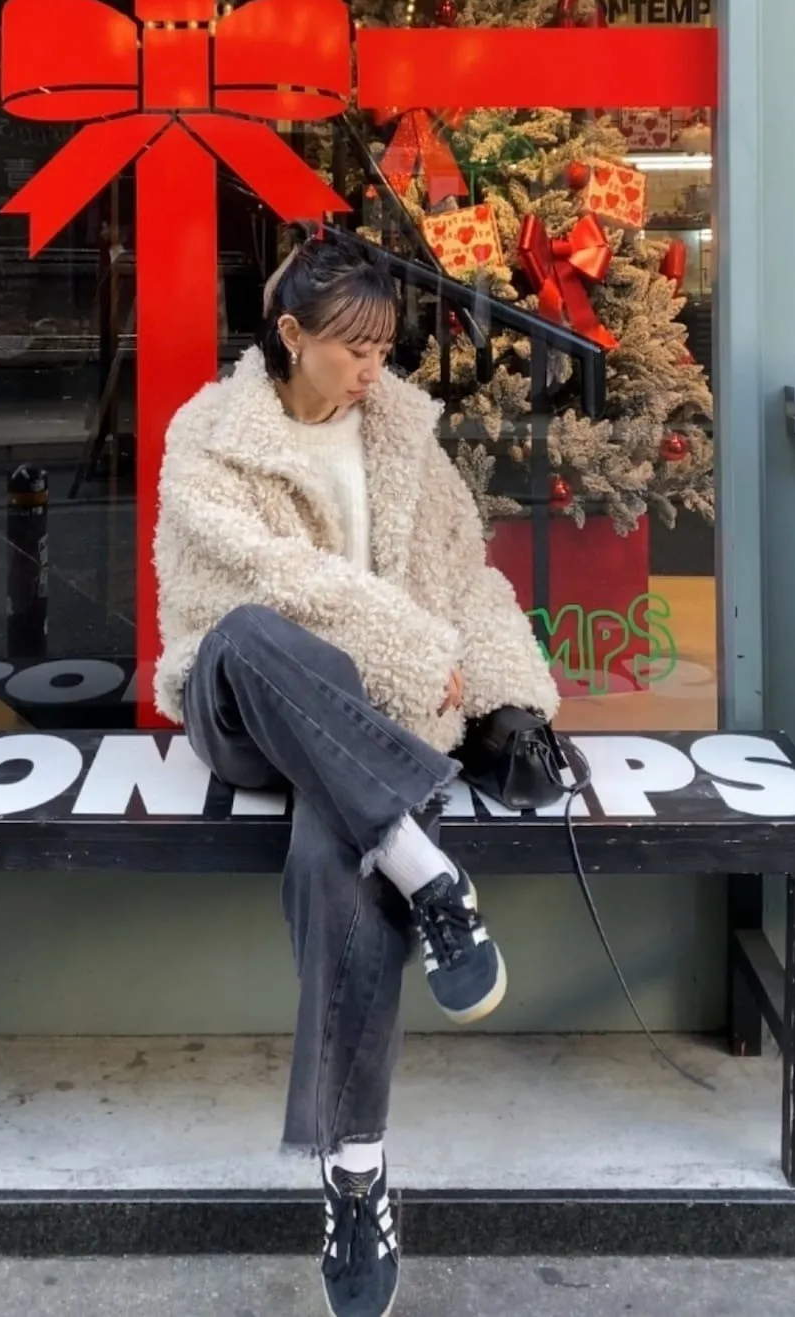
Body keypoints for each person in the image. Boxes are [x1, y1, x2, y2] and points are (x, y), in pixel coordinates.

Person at [154, 232, 559, 1317]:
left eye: (385, 346)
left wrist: (510, 695)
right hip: (240, 700)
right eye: (354, 347)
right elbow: (270, 585)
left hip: (362, 738)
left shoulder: (402, 435)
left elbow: (464, 578)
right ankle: (426, 863)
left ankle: (356, 1172)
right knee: (255, 630)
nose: (376, 367)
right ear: (291, 334)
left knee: (344, 846)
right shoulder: (212, 436)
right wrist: (414, 650)